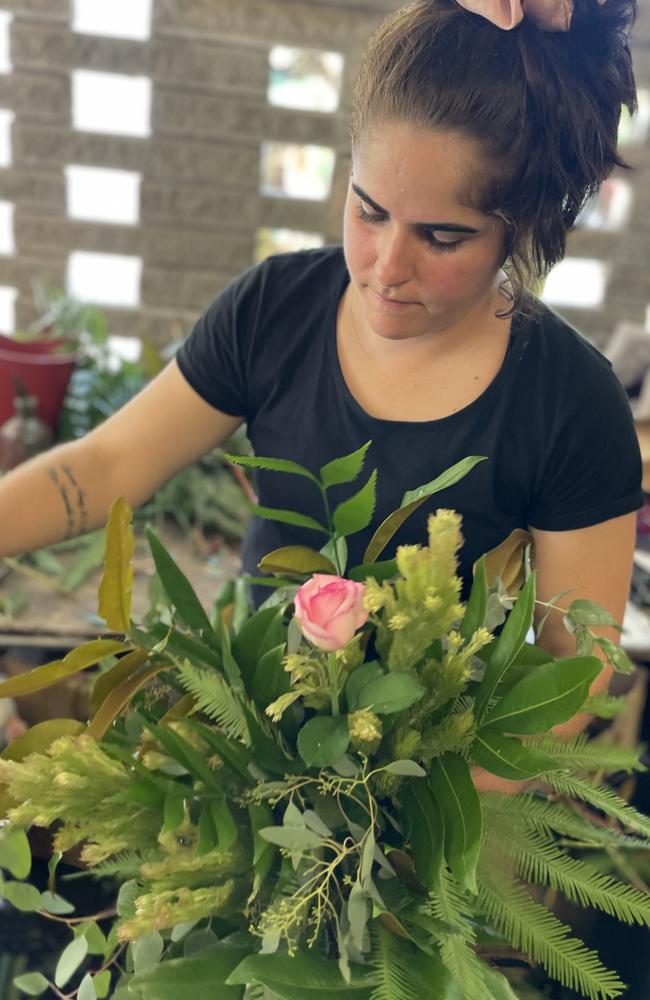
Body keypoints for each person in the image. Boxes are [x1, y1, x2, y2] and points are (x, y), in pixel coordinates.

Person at [0, 0, 642, 786]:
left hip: (434, 799)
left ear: (523, 227)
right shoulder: (276, 309)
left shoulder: (571, 404)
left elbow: (574, 673)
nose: (384, 266)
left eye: (442, 237)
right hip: (243, 748)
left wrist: (418, 814)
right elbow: (106, 467)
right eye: (368, 210)